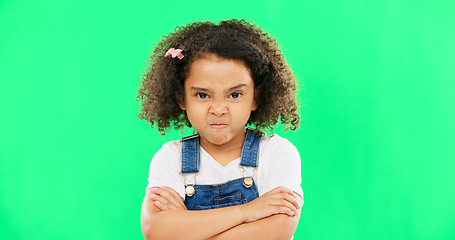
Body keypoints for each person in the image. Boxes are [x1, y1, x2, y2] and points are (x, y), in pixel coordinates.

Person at [137, 19, 303, 240]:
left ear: (256, 97)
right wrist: (246, 212)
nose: (218, 109)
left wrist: (185, 228)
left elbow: (277, 231)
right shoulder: (171, 158)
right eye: (203, 95)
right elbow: (155, 230)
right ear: (181, 97)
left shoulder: (277, 154)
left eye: (234, 94)